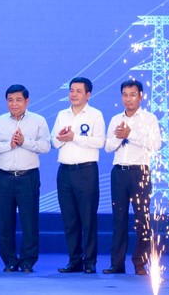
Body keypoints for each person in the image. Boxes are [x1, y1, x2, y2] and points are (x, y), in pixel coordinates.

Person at [0, 84, 50, 273]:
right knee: (5, 223)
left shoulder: (38, 121)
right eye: (10, 100)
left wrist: (24, 142)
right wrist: (10, 145)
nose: (14, 104)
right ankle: (10, 261)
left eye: (18, 100)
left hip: (28, 177)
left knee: (30, 222)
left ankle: (28, 261)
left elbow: (46, 146)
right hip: (3, 178)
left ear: (27, 101)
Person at [103, 80, 161, 275]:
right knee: (118, 219)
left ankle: (140, 263)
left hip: (140, 173)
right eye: (125, 95)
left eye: (132, 94)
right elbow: (108, 147)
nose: (128, 99)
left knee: (142, 219)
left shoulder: (149, 118)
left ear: (141, 96)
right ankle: (117, 264)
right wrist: (120, 136)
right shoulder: (115, 119)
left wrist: (131, 134)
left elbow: (156, 144)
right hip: (119, 172)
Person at [51, 77, 105, 274]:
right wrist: (61, 137)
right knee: (70, 219)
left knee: (88, 218)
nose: (73, 94)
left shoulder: (95, 115)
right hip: (64, 171)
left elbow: (99, 142)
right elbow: (53, 142)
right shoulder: (62, 114)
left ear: (88, 94)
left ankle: (90, 262)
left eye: (78, 91)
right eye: (71, 90)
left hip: (86, 171)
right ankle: (74, 261)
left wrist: (75, 137)